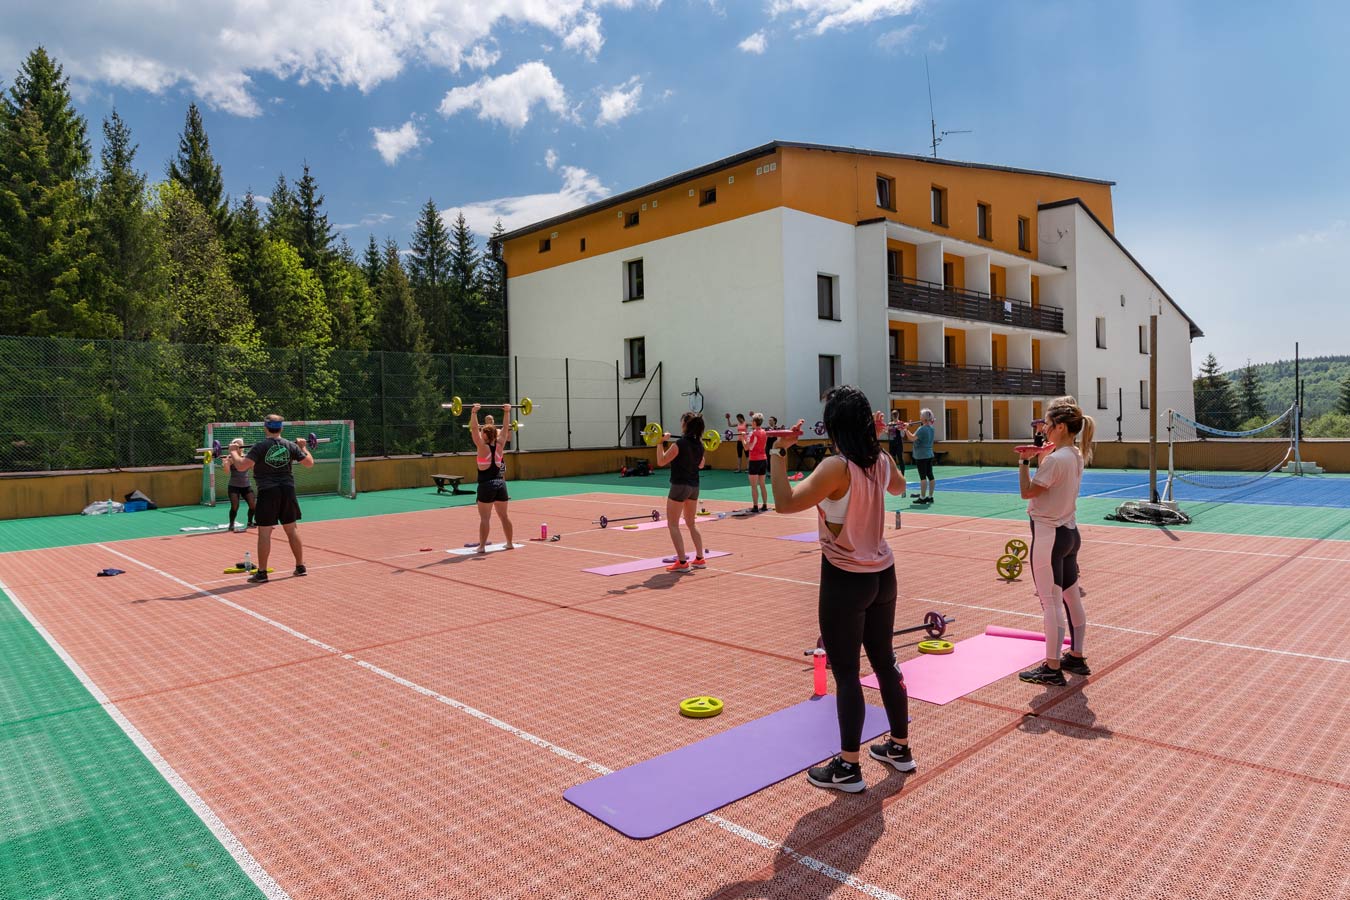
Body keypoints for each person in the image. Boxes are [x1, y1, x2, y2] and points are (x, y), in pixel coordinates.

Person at [770, 386, 912, 792]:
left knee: (848, 674)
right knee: (885, 662)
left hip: (845, 578)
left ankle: (849, 767)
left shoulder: (836, 467)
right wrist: (879, 442)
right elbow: (900, 487)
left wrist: (778, 452)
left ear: (833, 426)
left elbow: (784, 502)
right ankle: (900, 748)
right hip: (882, 574)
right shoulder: (879, 459)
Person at [1016, 395, 1095, 686]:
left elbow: (1027, 492)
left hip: (1049, 536)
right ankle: (1076, 655)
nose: (1044, 429)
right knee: (1070, 597)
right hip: (1069, 533)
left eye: (1048, 424)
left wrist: (1023, 461)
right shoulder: (1074, 454)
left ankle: (1052, 667)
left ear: (1060, 427)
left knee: (1050, 603)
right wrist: (1043, 456)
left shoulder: (1056, 460)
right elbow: (1051, 482)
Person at [228, 415, 314, 583]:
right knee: (292, 529)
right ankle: (300, 566)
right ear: (281, 428)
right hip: (287, 491)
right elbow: (309, 462)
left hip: (268, 492)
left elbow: (241, 466)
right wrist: (303, 447)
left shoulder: (260, 447)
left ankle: (262, 573)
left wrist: (232, 451)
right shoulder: (290, 445)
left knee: (264, 533)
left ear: (265, 428)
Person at [655, 412, 708, 573]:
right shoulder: (700, 445)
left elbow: (661, 461)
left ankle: (683, 562)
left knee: (673, 524)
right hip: (694, 487)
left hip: (679, 486)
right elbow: (701, 465)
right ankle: (700, 559)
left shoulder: (679, 444)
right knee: (691, 523)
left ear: (685, 425)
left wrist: (660, 442)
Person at [470, 403, 515, 553]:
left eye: (482, 432)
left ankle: (482, 546)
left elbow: (474, 428)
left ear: (485, 435)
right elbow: (505, 427)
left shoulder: (481, 447)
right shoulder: (500, 444)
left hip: (486, 485)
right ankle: (509, 543)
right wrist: (507, 412)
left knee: (485, 518)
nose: (480, 433)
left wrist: (474, 412)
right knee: (504, 516)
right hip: (500, 484)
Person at [223, 437, 256, 531]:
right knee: (235, 506)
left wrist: (254, 462)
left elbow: (254, 469)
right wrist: (225, 463)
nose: (239, 447)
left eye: (241, 445)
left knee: (253, 505)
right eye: (237, 445)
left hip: (246, 486)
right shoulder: (230, 458)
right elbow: (226, 471)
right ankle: (231, 524)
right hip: (234, 486)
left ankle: (250, 522)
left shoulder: (246, 457)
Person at [905, 409, 937, 504]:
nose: (920, 417)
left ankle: (922, 497)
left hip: (921, 455)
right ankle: (930, 496)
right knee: (930, 476)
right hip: (929, 454)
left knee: (923, 477)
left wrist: (906, 429)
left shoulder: (922, 429)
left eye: (921, 416)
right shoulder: (931, 428)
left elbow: (912, 438)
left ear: (923, 418)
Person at [744, 412, 769, 512]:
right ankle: (765, 505)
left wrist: (743, 438)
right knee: (762, 484)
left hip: (754, 460)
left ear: (754, 422)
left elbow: (747, 447)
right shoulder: (764, 432)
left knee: (754, 486)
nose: (751, 422)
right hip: (763, 459)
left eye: (752, 421)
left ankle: (755, 507)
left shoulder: (753, 433)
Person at [887, 411, 907, 478]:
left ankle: (902, 475)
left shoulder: (900, 423)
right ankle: (894, 475)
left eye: (896, 415)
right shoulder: (890, 424)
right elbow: (889, 435)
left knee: (900, 458)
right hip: (892, 443)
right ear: (892, 416)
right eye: (893, 415)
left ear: (898, 415)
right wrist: (887, 430)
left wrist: (901, 428)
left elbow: (902, 435)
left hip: (898, 443)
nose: (895, 416)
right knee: (893, 459)